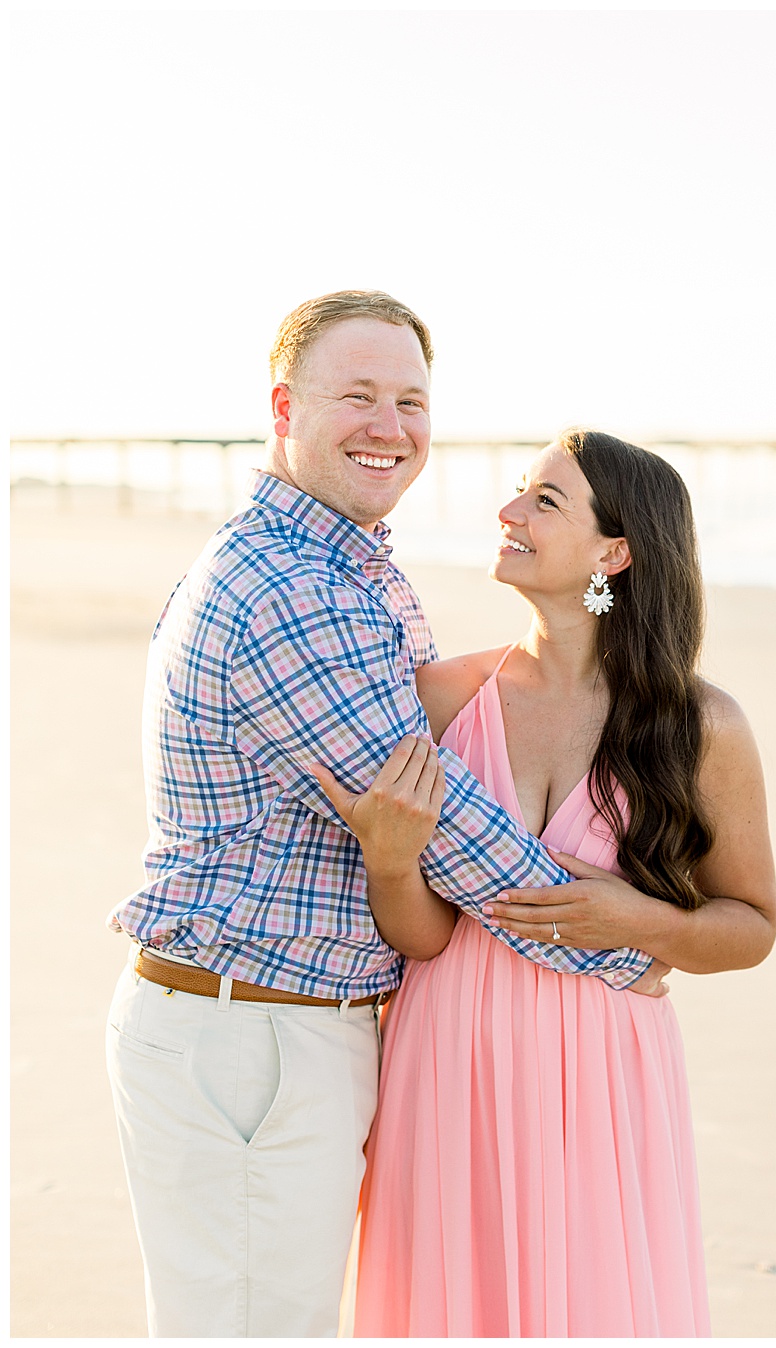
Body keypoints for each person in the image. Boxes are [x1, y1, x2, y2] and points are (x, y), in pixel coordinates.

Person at [104, 292, 659, 1337]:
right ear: (284, 406)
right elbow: (437, 821)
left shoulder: (352, 568)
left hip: (284, 1029)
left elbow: (420, 743)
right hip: (249, 1038)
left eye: (410, 399)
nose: (390, 426)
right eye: (356, 394)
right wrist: (624, 945)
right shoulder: (289, 587)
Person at [323, 430, 776, 1336]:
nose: (508, 513)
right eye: (517, 492)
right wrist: (387, 859)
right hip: (446, 1058)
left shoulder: (700, 726)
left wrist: (642, 920)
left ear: (615, 552)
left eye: (544, 501)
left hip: (605, 1076)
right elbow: (423, 937)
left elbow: (753, 925)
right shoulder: (444, 697)